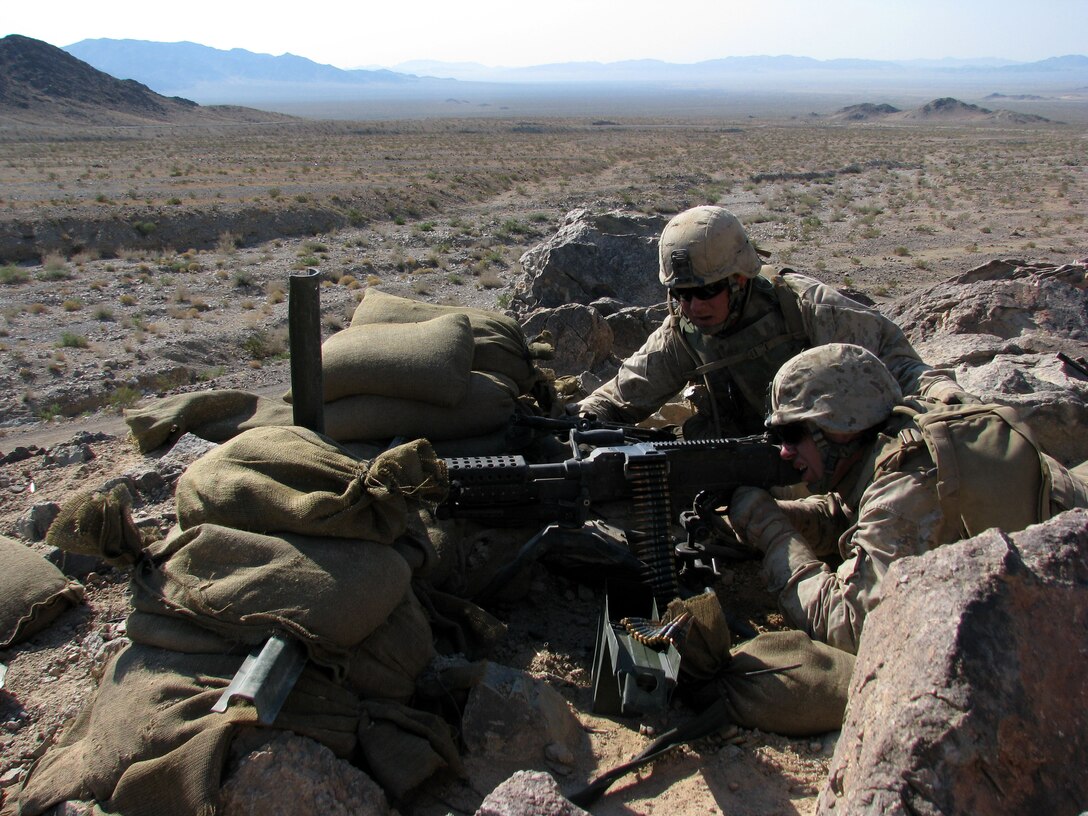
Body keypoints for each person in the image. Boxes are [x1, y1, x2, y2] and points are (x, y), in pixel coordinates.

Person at [727, 343, 1088, 654]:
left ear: (838, 429)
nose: (785, 453)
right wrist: (783, 516)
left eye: (792, 435)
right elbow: (853, 515)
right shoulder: (891, 434)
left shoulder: (904, 491)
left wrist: (775, 537)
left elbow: (851, 627)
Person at [575, 205, 972, 439]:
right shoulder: (685, 332)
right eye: (681, 294)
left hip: (831, 452)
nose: (693, 306)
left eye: (707, 291)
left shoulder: (803, 306)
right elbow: (623, 396)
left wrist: (941, 392)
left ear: (740, 278)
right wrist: (578, 421)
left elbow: (897, 362)